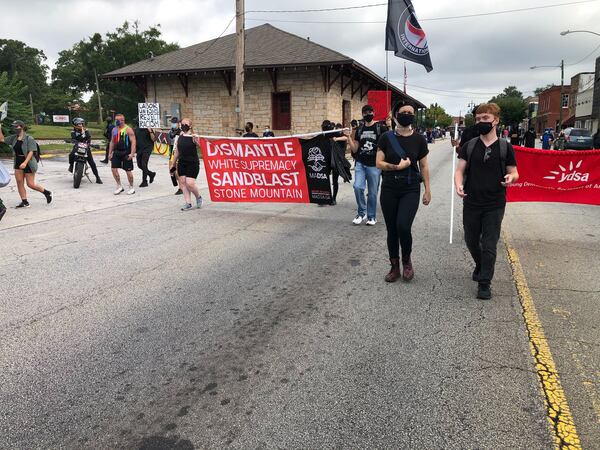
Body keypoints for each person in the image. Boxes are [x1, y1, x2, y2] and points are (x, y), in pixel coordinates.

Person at [454, 103, 519, 300]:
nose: (481, 122)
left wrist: (511, 178)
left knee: (489, 243)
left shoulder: (504, 147)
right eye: (478, 119)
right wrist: (458, 185)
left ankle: (484, 282)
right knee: (472, 240)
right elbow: (459, 171)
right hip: (472, 201)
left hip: (495, 203)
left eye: (485, 118)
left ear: (495, 120)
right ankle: (480, 264)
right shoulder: (470, 145)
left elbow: (514, 171)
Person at [376, 101, 431, 282]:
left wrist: (427, 190)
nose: (407, 114)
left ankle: (407, 261)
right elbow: (379, 163)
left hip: (410, 189)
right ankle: (394, 266)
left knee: (403, 226)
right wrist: (396, 167)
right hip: (389, 188)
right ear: (396, 114)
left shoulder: (419, 139)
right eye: (403, 111)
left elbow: (424, 166)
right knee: (392, 230)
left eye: (410, 112)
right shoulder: (386, 137)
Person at [345, 104, 387, 225]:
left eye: (370, 112)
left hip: (374, 165)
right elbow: (354, 149)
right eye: (365, 112)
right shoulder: (360, 129)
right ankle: (361, 213)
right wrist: (349, 137)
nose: (368, 114)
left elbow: (387, 143)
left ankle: (371, 216)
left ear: (373, 113)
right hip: (360, 163)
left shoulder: (380, 128)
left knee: (372, 192)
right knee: (358, 187)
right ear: (362, 114)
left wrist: (389, 125)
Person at [0, 120, 52, 207]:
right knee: (19, 182)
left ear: (22, 127)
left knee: (30, 184)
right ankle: (24, 202)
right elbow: (1, 139)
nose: (15, 128)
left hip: (29, 162)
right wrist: (0, 128)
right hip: (18, 162)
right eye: (14, 126)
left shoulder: (29, 138)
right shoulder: (14, 138)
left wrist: (25, 162)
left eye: (17, 126)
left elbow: (31, 152)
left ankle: (47, 192)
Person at [172, 118, 203, 211]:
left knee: (190, 183)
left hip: (192, 163)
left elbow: (202, 146)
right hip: (182, 162)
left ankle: (198, 197)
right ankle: (188, 203)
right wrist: (173, 163)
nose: (183, 125)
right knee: (182, 182)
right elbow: (177, 151)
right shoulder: (180, 136)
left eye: (185, 124)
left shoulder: (193, 137)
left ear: (190, 126)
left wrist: (197, 139)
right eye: (182, 123)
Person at [108, 113, 137, 195]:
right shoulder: (114, 130)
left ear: (122, 120)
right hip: (116, 152)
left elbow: (134, 142)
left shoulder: (128, 129)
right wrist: (110, 153)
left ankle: (131, 187)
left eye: (117, 120)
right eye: (115, 119)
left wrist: (132, 153)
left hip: (126, 152)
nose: (116, 121)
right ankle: (119, 186)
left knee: (128, 171)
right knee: (114, 169)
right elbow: (112, 142)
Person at [68, 117, 102, 184]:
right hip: (77, 147)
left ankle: (97, 177)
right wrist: (73, 141)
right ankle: (71, 165)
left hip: (86, 148)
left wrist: (90, 144)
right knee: (71, 155)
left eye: (81, 124)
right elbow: (74, 139)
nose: (80, 125)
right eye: (78, 124)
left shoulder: (86, 131)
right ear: (75, 125)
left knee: (92, 163)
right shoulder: (73, 132)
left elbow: (89, 138)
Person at [133, 121, 156, 187]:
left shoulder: (148, 128)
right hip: (140, 149)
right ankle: (151, 174)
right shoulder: (136, 129)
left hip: (147, 148)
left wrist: (150, 131)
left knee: (144, 164)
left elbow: (154, 139)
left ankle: (144, 181)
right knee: (139, 165)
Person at [168, 117, 183, 195]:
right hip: (171, 152)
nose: (173, 124)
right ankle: (180, 184)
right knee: (171, 170)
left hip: (177, 152)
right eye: (172, 122)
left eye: (175, 122)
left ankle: (181, 188)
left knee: (176, 171)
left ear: (178, 123)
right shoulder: (171, 131)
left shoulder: (181, 132)